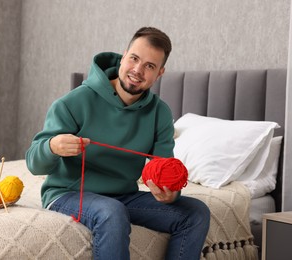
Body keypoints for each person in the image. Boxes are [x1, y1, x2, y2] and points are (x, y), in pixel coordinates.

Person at [26, 27, 210, 260]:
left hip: (124, 196)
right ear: (123, 56)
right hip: (68, 194)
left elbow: (163, 168)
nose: (138, 70)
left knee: (196, 213)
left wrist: (170, 194)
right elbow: (34, 164)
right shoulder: (74, 102)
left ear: (160, 73)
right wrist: (52, 146)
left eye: (149, 66)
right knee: (111, 212)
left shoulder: (160, 113)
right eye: (134, 59)